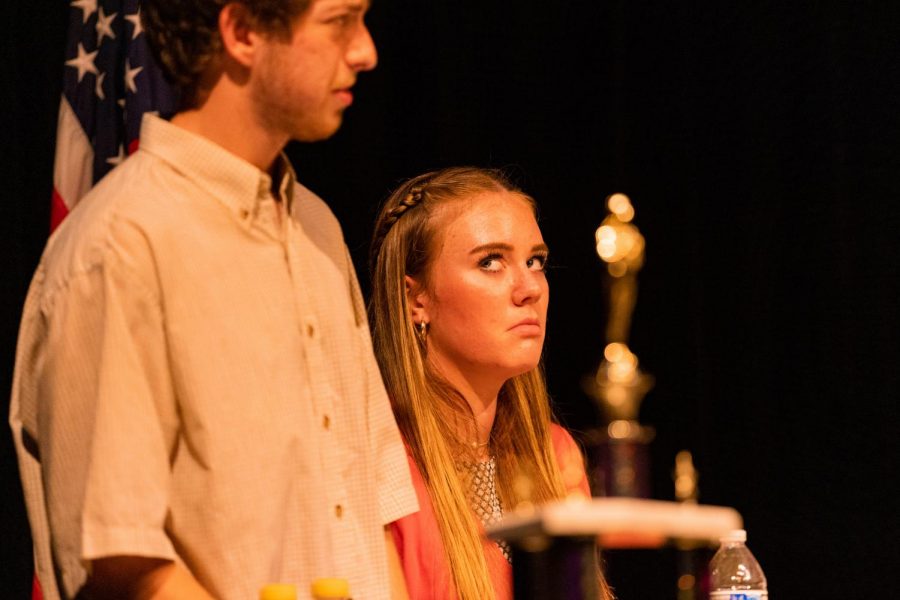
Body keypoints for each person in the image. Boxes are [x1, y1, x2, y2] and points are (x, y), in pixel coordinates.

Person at [9, 1, 416, 599]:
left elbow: (369, 515)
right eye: (339, 21)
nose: (365, 50)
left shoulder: (315, 228)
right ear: (243, 32)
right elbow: (124, 564)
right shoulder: (121, 245)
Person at [368, 167, 613, 600]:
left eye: (535, 261)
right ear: (415, 300)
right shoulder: (379, 459)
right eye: (490, 262)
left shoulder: (555, 454)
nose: (529, 288)